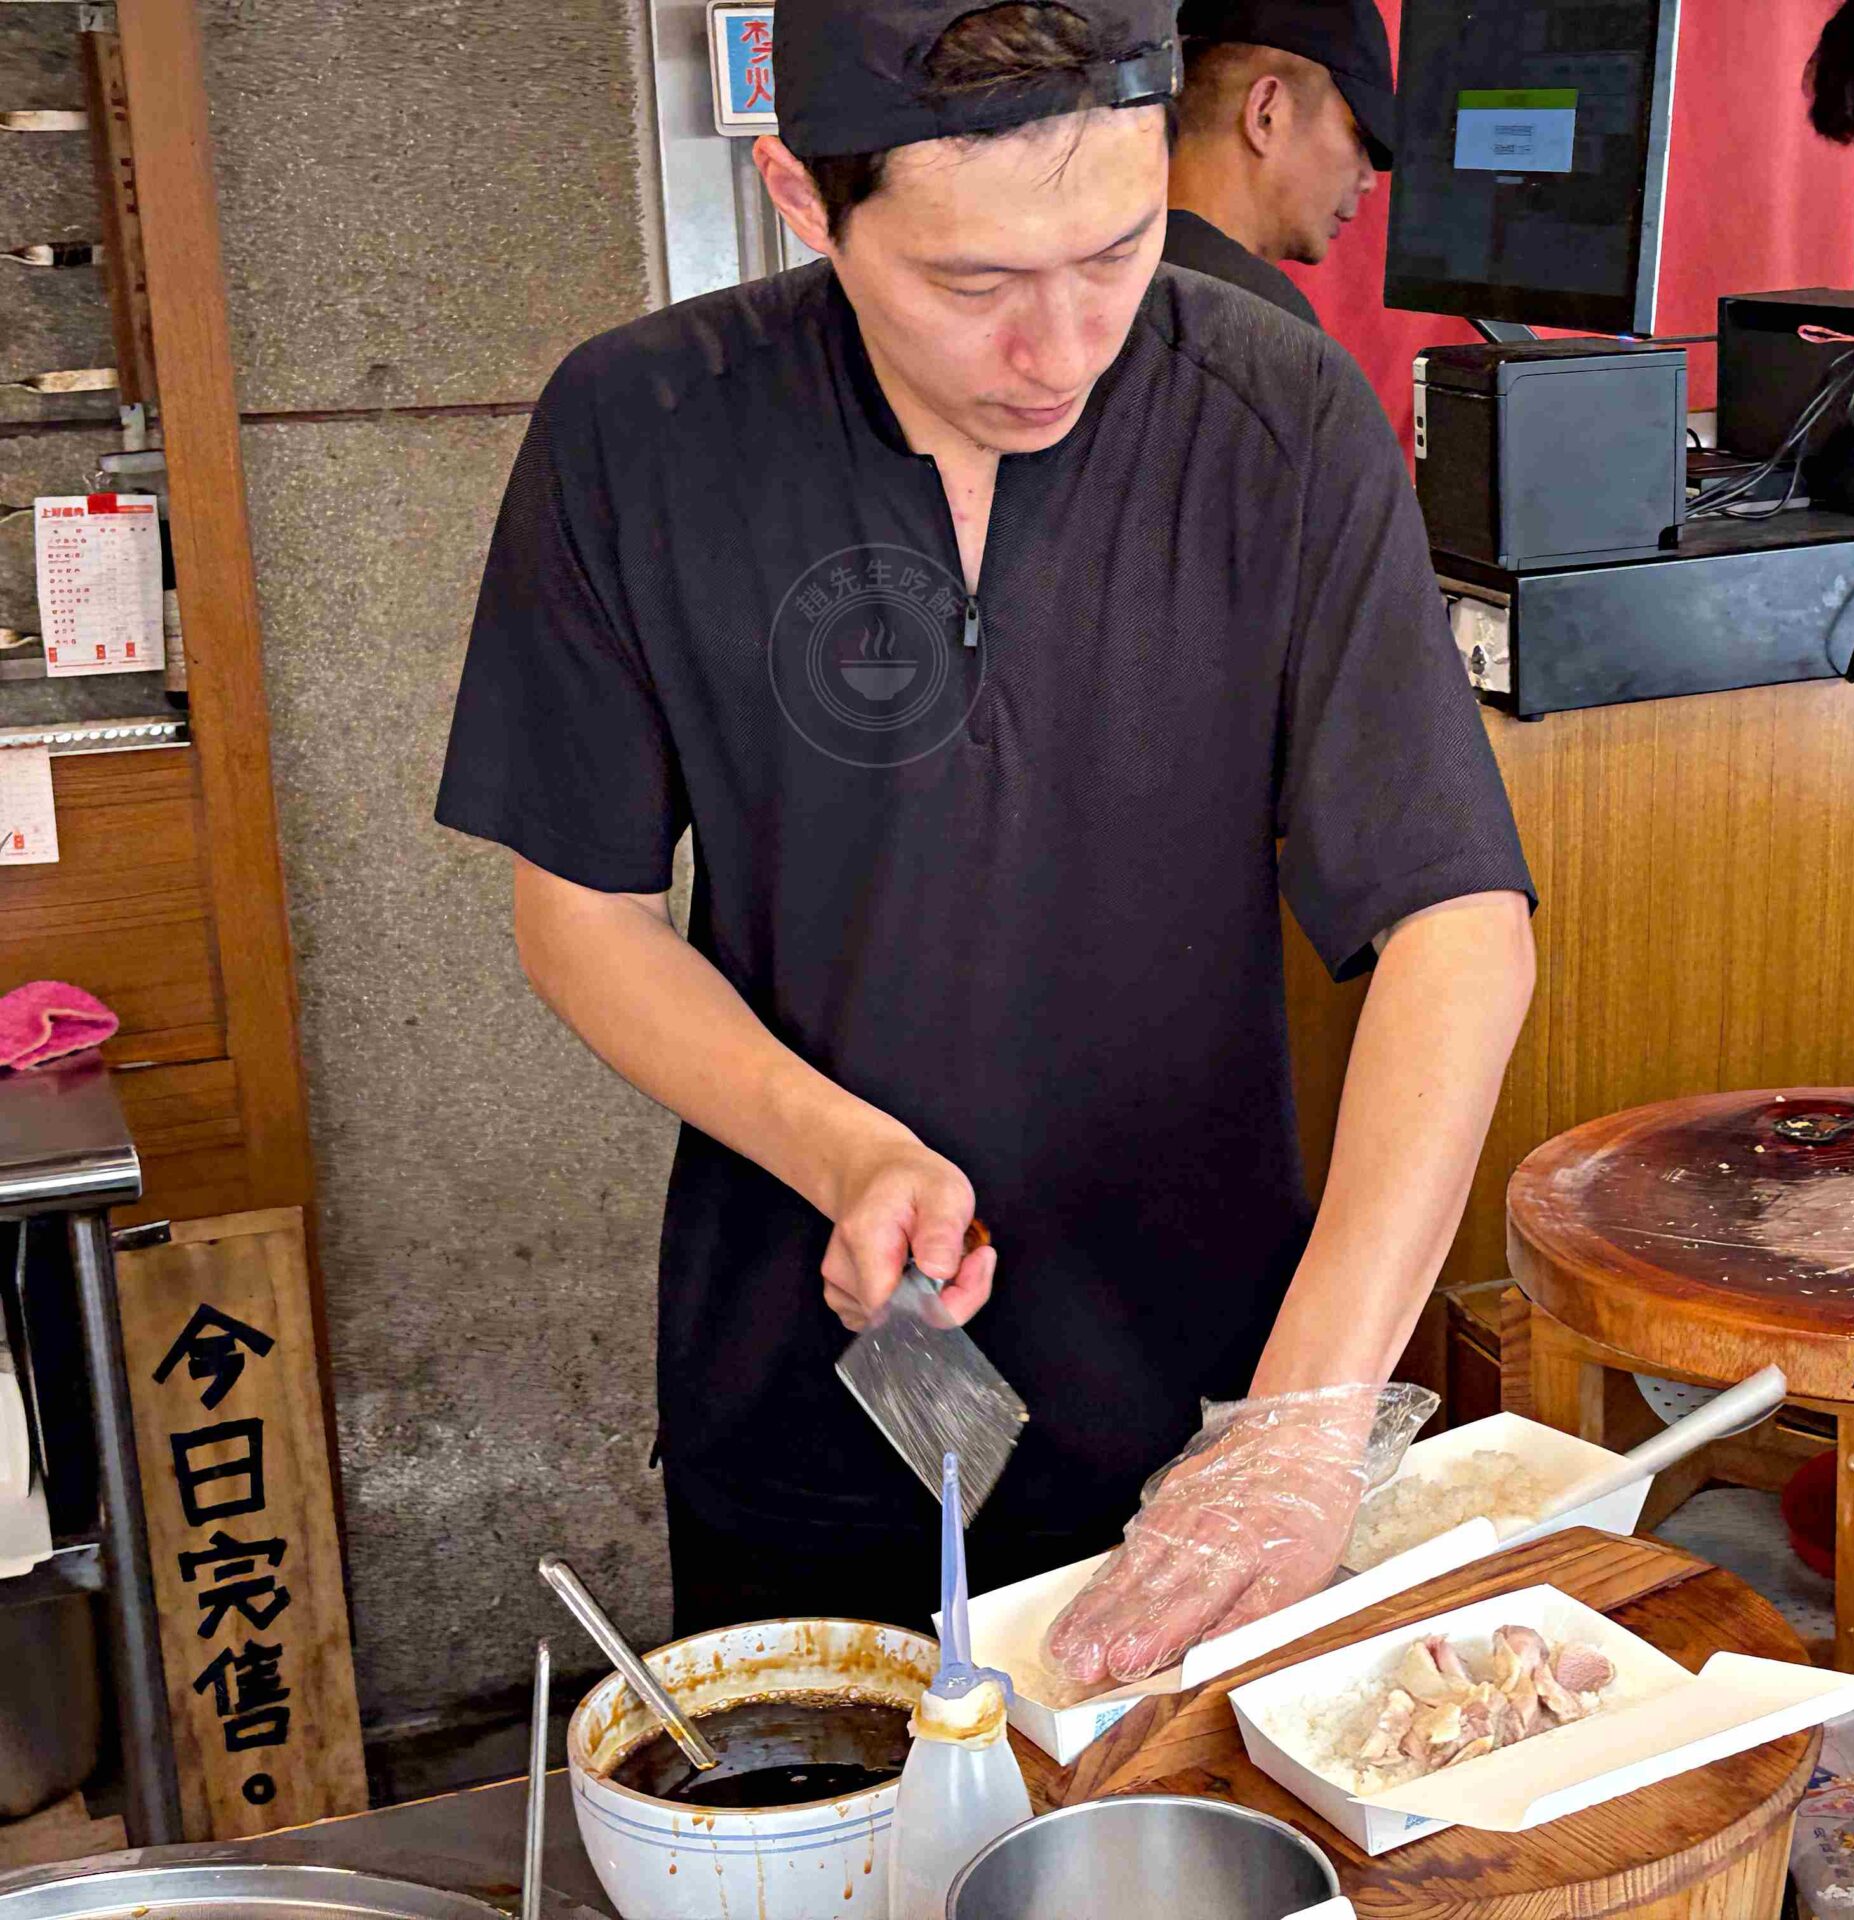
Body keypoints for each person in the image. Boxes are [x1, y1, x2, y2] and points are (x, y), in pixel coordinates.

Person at [434, 0, 1536, 1655]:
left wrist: (1306, 1421)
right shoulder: (641, 432)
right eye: (973, 288)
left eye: (1116, 249)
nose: (1065, 346)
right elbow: (580, 911)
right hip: (812, 1392)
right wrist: (844, 1150)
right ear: (806, 197)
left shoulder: (1277, 418)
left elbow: (1457, 919)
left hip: (1210, 1409)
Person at [1157, 0, 1395, 328]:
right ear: (1266, 114)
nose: (1369, 179)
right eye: (1360, 140)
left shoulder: (1092, 273)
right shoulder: (1263, 331)